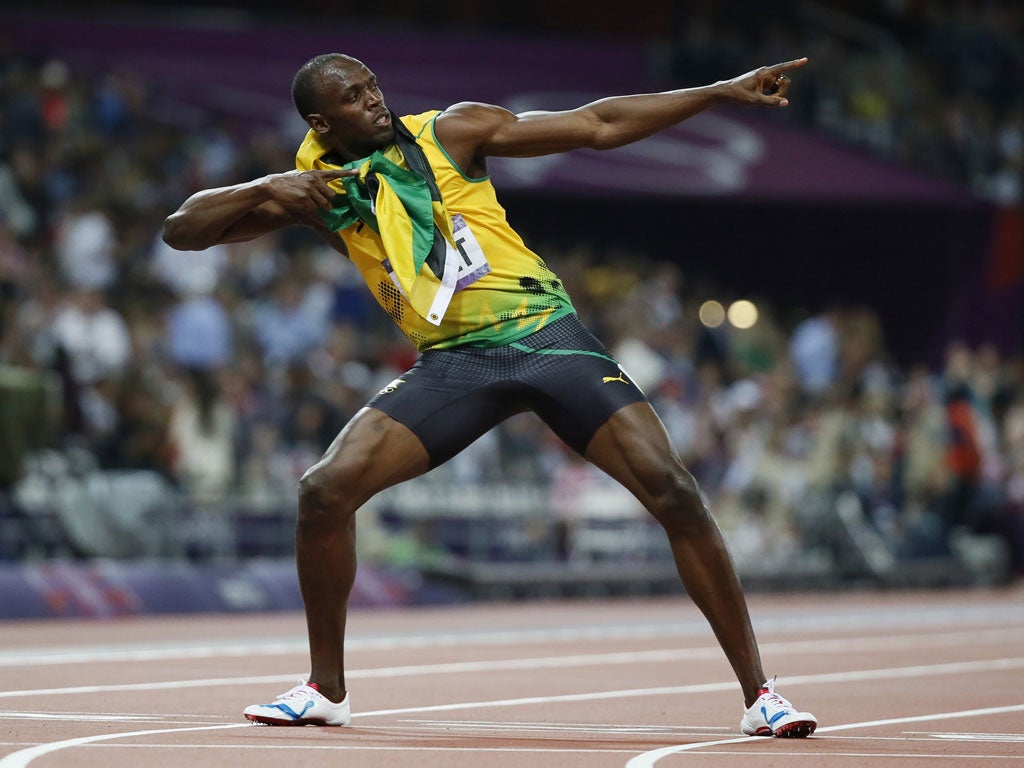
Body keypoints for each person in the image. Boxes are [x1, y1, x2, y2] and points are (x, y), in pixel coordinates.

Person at [163, 52, 817, 737]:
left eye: (374, 86)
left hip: (549, 337)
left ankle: (760, 695)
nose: (375, 101)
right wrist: (271, 185)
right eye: (355, 99)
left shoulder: (452, 132)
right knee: (324, 492)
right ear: (322, 122)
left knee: (673, 490)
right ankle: (326, 689)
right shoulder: (320, 189)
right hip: (456, 362)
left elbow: (597, 124)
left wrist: (716, 92)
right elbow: (182, 231)